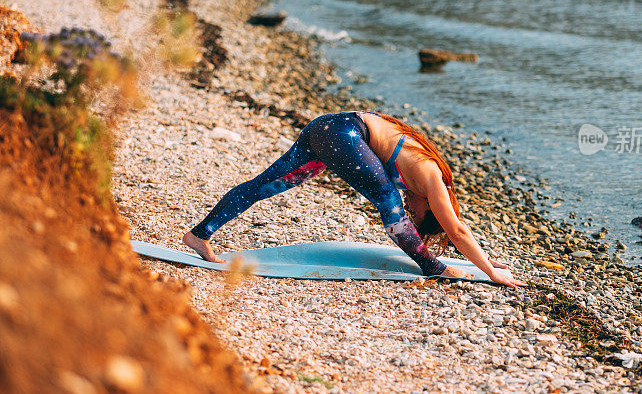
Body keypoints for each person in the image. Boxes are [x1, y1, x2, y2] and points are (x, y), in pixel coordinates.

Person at [183, 111, 526, 288]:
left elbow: (459, 227)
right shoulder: (432, 178)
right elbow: (457, 229)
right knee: (387, 198)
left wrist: (487, 263)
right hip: (341, 134)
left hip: (326, 129)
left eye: (416, 215)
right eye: (419, 216)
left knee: (264, 187)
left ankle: (199, 235)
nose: (413, 210)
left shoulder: (428, 177)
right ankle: (430, 266)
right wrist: (491, 275)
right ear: (431, 209)